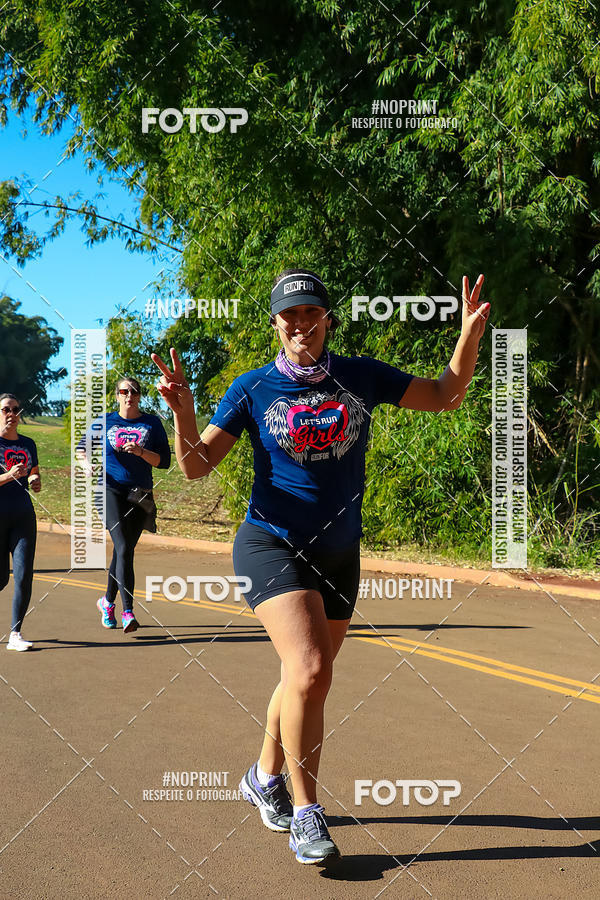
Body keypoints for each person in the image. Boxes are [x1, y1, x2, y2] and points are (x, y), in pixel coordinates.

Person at [152, 268, 490, 865]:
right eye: (290, 315)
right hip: (270, 543)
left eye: (311, 313)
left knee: (305, 676)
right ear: (276, 324)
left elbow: (445, 395)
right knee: (309, 668)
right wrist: (183, 409)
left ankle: (261, 776)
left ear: (327, 318)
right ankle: (307, 814)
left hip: (339, 552)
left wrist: (467, 335)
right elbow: (196, 466)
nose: (300, 324)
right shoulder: (252, 388)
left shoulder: (358, 376)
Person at [93, 377, 171, 633]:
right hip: (109, 489)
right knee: (124, 546)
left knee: (122, 551)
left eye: (134, 391)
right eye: (124, 391)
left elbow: (163, 462)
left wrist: (140, 452)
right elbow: (83, 449)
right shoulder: (104, 421)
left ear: (140, 396)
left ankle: (107, 601)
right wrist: (87, 465)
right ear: (116, 395)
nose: (130, 395)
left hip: (140, 494)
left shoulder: (152, 423)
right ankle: (128, 611)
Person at [0, 393, 42, 651]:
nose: (11, 414)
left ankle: (15, 633)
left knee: (24, 575)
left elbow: (35, 476)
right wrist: (7, 476)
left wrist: (35, 483)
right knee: (1, 579)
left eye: (15, 409)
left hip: (23, 516)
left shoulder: (29, 444)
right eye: (6, 409)